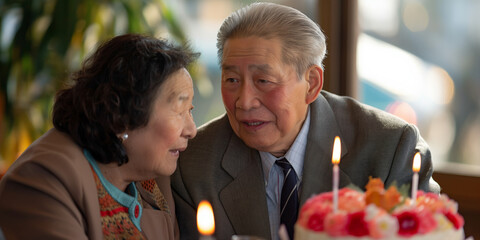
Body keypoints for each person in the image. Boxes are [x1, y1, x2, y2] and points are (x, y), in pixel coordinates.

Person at [171, 2, 441, 240]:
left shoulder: (391, 148)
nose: (244, 101)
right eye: (232, 80)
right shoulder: (195, 165)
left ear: (311, 84)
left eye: (263, 81)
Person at [0, 34, 198, 239]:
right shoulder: (43, 179)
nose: (192, 130)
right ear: (123, 115)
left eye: (191, 110)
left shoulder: (154, 179)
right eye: (179, 111)